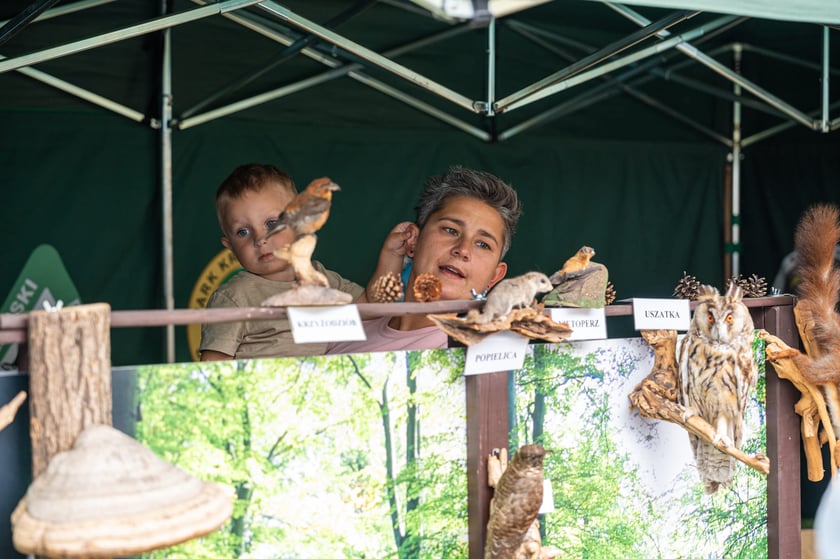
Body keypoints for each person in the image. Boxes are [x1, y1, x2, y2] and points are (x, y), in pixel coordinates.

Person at [328, 165, 521, 354]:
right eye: (450, 230)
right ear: (413, 241)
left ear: (494, 276)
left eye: (483, 244)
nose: (463, 249)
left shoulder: (481, 358)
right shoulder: (346, 328)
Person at [199, 163, 364, 361]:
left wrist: (392, 254)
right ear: (230, 246)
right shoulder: (233, 298)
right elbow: (213, 366)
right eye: (243, 232)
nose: (260, 239)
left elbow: (374, 307)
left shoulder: (327, 281)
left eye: (272, 223)